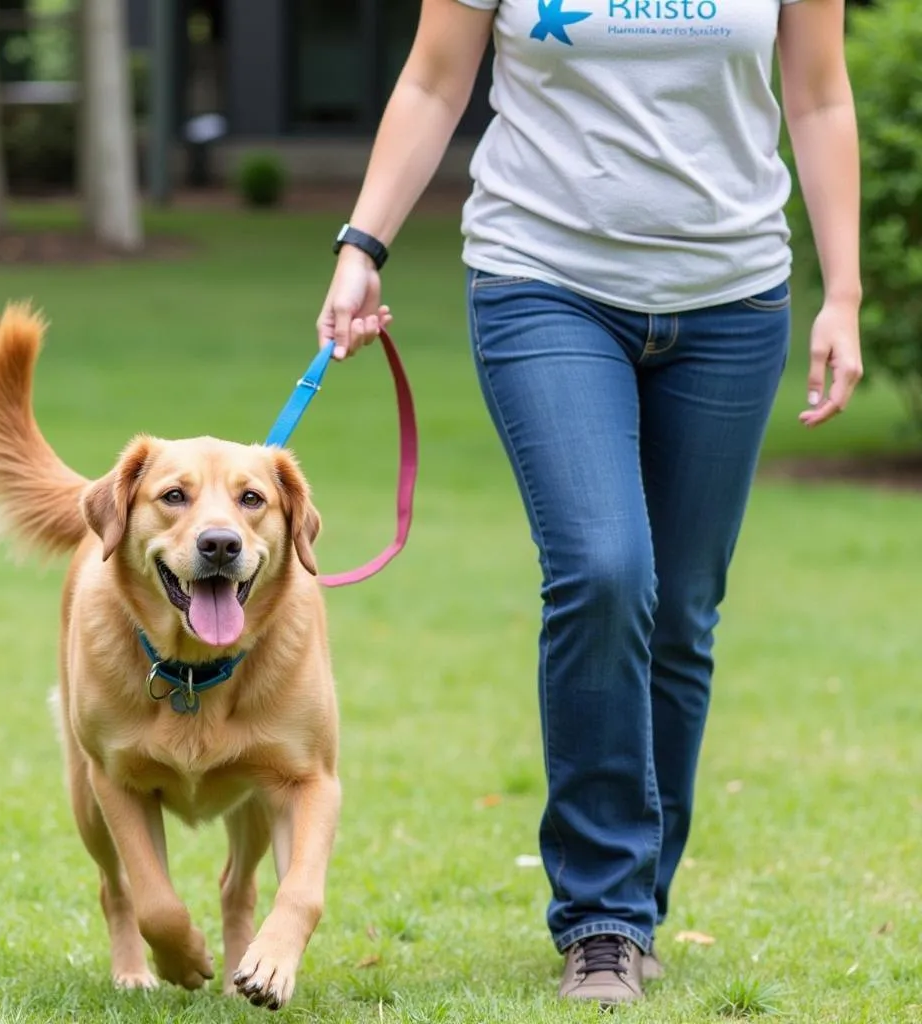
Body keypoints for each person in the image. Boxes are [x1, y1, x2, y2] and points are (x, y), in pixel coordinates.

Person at [316, 0, 862, 1005]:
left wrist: (843, 292)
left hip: (731, 299)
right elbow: (436, 77)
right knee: (605, 569)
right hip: (544, 279)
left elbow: (819, 94)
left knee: (682, 611)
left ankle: (634, 898)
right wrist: (364, 244)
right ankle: (603, 920)